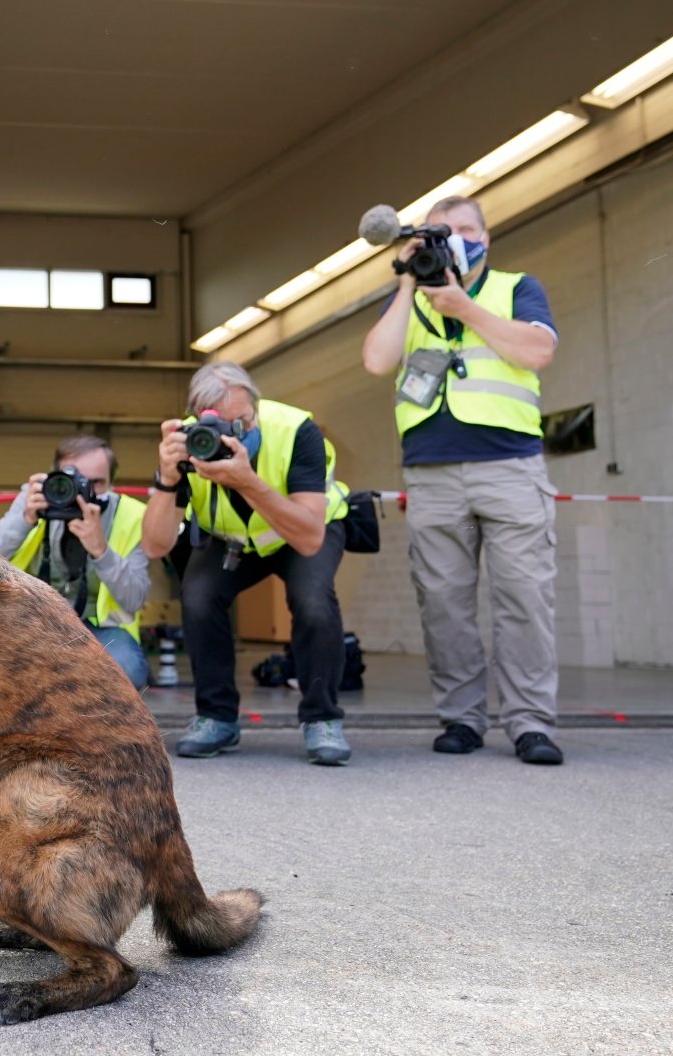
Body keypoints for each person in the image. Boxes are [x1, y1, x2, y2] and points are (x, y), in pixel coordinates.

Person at [362, 195, 563, 766]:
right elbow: (377, 360)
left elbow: (538, 350)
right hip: (432, 473)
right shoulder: (412, 296)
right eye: (441, 231)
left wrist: (464, 307)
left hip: (510, 468)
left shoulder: (515, 288)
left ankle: (530, 724)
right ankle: (462, 719)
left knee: (524, 599)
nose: (453, 238)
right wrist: (407, 283)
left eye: (465, 229)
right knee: (443, 603)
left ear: (485, 237)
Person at [140, 363, 353, 766]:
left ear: (257, 409)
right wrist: (167, 479)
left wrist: (246, 480)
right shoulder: (186, 441)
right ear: (199, 419)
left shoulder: (296, 431)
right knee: (199, 596)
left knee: (313, 601)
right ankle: (217, 717)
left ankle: (322, 717)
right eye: (221, 426)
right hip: (232, 539)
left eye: (243, 422)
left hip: (303, 531)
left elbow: (309, 538)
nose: (232, 435)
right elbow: (155, 546)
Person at [0, 436, 151, 689]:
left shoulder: (132, 515)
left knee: (129, 667)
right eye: (73, 479)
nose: (84, 490)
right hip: (33, 623)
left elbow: (135, 598)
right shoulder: (36, 498)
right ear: (55, 475)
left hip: (101, 628)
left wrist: (101, 551)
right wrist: (25, 519)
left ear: (112, 484)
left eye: (96, 483)